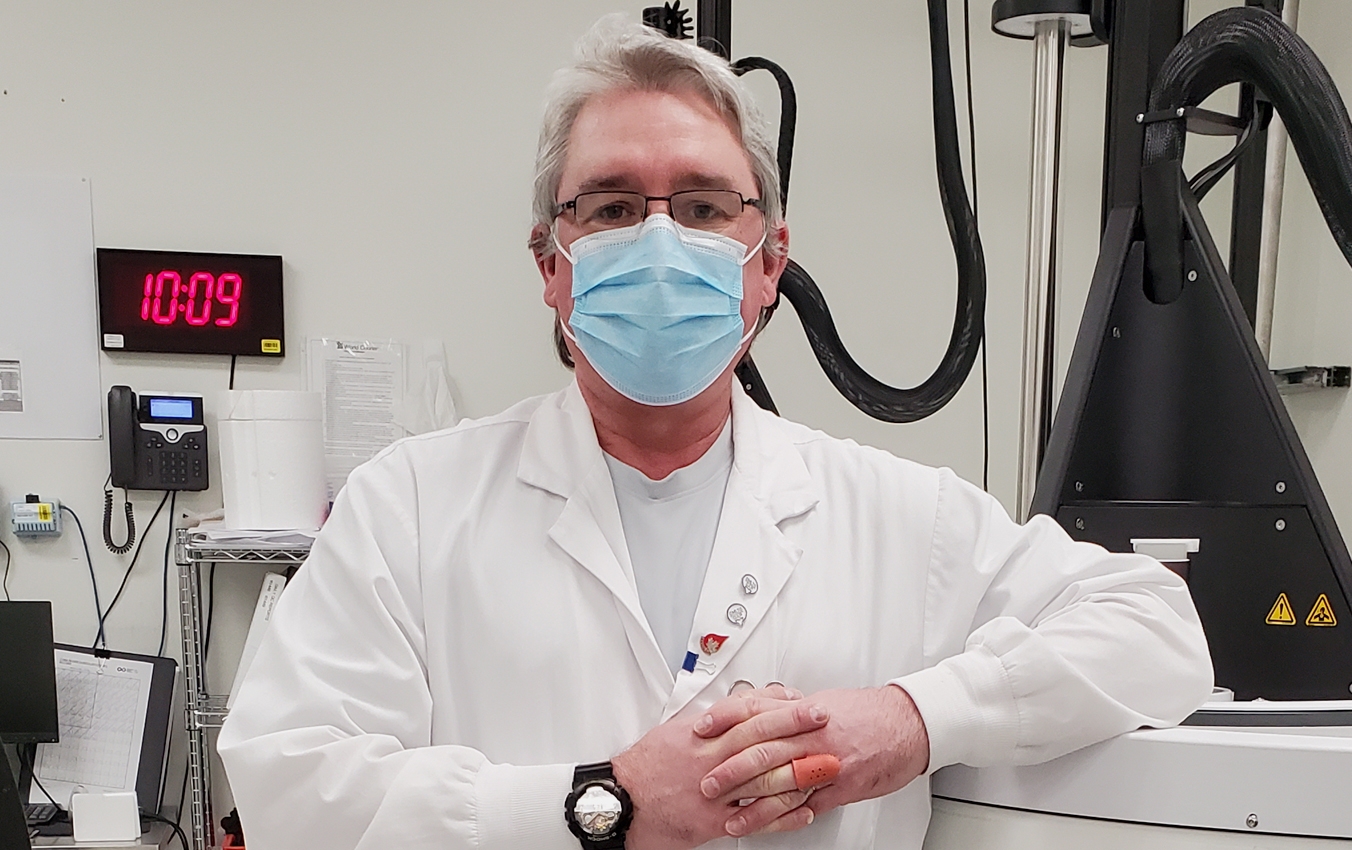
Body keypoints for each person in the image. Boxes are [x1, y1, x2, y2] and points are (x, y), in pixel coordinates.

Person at [217, 14, 1212, 850]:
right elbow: (290, 787)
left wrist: (912, 720)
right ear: (550, 264)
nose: (658, 241)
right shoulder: (413, 506)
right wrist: (598, 803)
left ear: (767, 262)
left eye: (700, 207)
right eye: (610, 207)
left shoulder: (899, 513)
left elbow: (1150, 628)